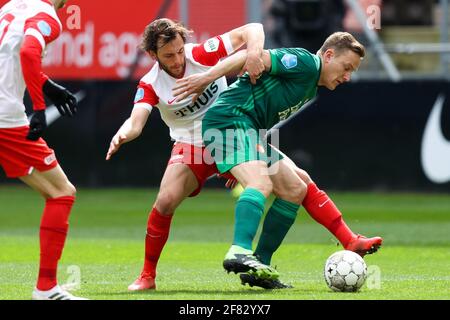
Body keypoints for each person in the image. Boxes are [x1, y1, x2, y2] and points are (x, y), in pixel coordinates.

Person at [173, 31, 383, 289]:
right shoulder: (305, 63)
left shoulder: (311, 83)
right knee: (260, 183)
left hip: (247, 129)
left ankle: (261, 265)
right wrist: (206, 78)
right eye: (346, 67)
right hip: (229, 120)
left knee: (297, 187)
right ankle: (239, 250)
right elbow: (249, 57)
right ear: (328, 55)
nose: (348, 76)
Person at [105, 18, 266, 291]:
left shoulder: (202, 54)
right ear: (152, 55)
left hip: (229, 134)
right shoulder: (151, 84)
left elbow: (254, 29)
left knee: (289, 182)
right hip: (190, 145)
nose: (178, 60)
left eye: (180, 51)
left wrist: (252, 55)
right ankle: (147, 276)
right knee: (165, 201)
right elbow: (136, 121)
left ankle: (344, 240)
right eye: (169, 55)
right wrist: (123, 133)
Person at [0, 0, 84, 300]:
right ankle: (46, 288)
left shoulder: (10, 7)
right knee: (61, 192)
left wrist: (46, 84)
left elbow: (10, 54)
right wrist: (38, 107)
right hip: (5, 119)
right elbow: (27, 52)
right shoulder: (45, 14)